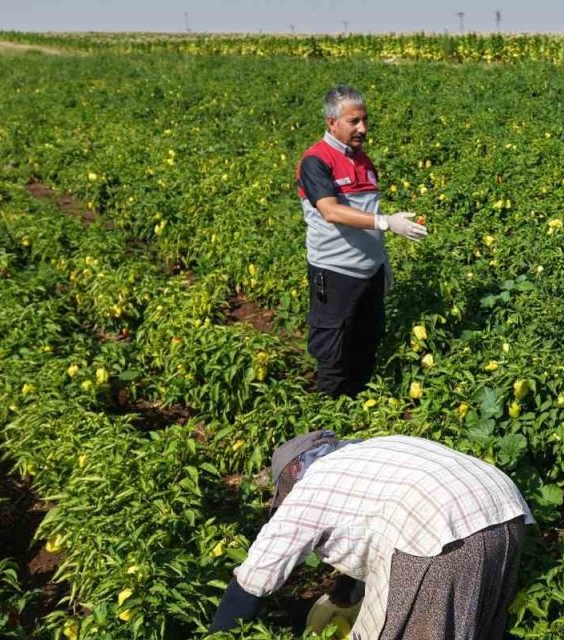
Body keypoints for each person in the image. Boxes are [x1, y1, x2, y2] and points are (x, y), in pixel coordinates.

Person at [210, 430, 533, 639]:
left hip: (438, 533)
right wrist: (345, 589)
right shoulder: (374, 450)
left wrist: (219, 634)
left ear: (293, 473)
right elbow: (368, 527)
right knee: (479, 627)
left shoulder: (311, 486)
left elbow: (254, 577)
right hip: (506, 511)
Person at [298, 85, 428, 398]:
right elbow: (330, 211)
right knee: (333, 354)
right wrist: (386, 223)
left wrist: (381, 261)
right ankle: (328, 426)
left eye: (364, 120)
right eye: (353, 121)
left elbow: (366, 210)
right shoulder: (316, 161)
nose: (363, 128)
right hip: (336, 273)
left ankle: (356, 416)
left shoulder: (364, 161)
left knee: (365, 345)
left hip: (369, 273)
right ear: (332, 122)